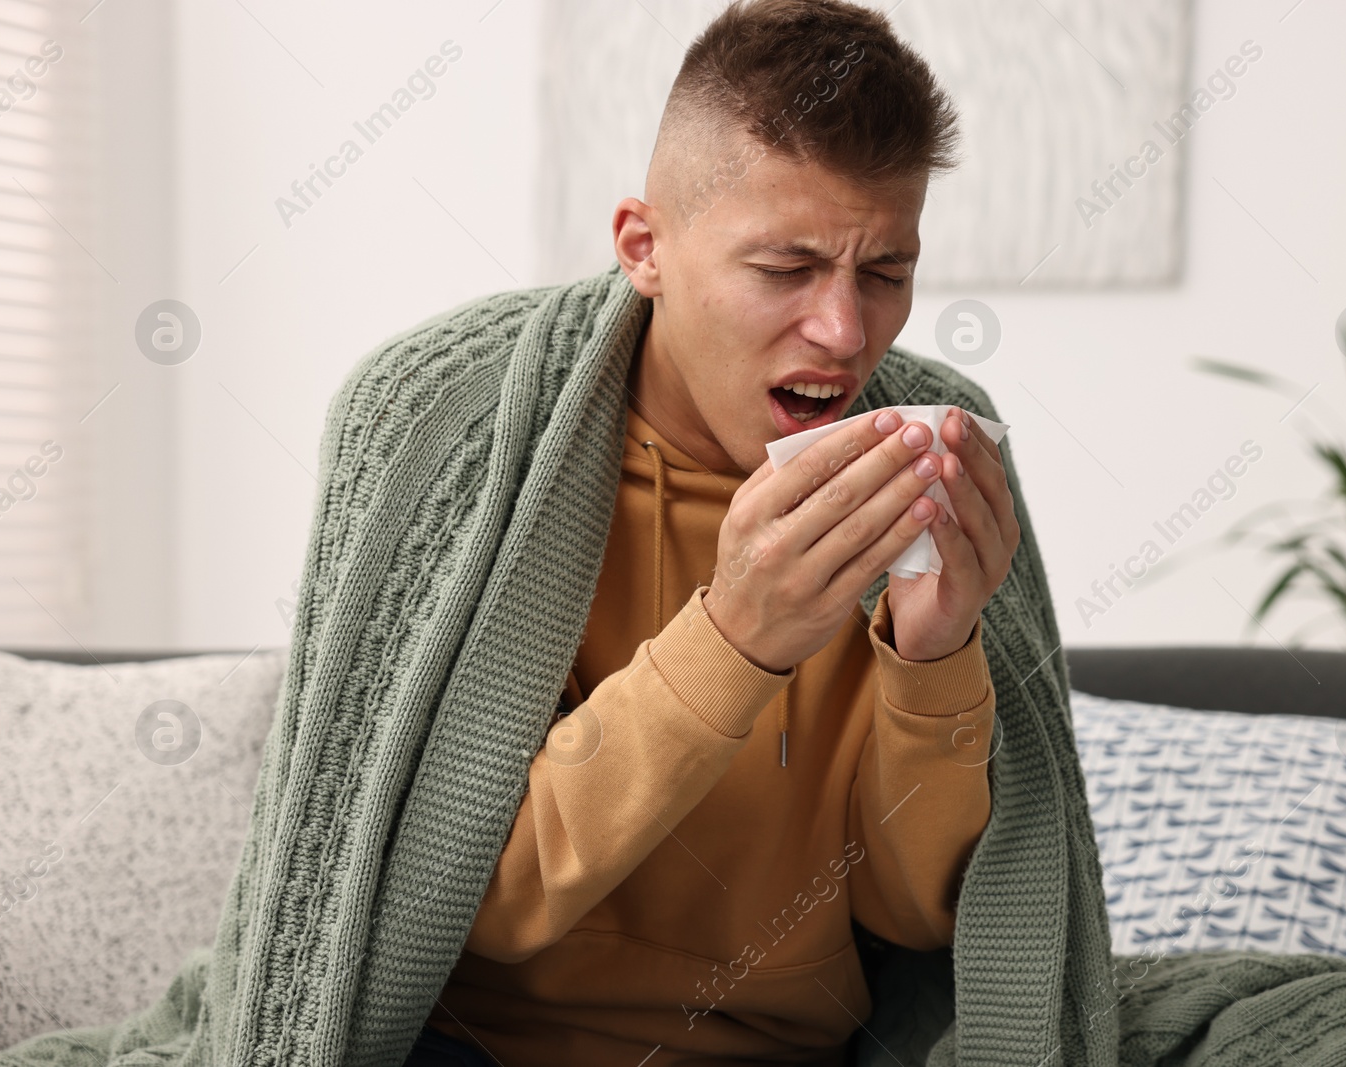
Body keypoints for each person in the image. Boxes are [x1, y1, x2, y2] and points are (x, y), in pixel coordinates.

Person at [406, 0, 1021, 1063]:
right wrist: (737, 633)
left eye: (885, 273)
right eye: (785, 269)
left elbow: (912, 920)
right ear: (644, 247)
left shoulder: (925, 463)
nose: (843, 331)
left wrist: (932, 657)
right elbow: (476, 902)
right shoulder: (456, 439)